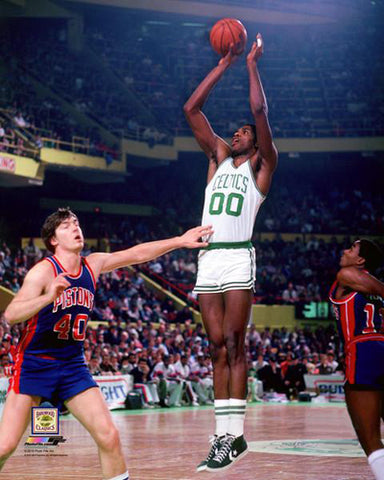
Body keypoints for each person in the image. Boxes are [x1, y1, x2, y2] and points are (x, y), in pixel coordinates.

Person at [0, 207, 212, 479]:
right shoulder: (43, 272)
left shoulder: (93, 264)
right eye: (66, 226)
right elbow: (12, 313)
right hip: (34, 365)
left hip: (73, 365)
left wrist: (179, 241)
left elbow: (135, 254)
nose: (75, 228)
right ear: (53, 239)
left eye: (76, 222)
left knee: (109, 436)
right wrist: (48, 297)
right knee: (5, 445)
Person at [184, 33, 278, 472]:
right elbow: (191, 110)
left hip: (239, 255)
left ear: (255, 144)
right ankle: (223, 436)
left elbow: (260, 111)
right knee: (216, 346)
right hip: (208, 258)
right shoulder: (217, 158)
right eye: (236, 131)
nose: (238, 134)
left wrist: (250, 65)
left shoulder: (262, 168)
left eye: (244, 133)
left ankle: (233, 434)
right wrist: (223, 63)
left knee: (237, 344)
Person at [329, 239, 384, 480]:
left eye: (351, 249)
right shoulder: (373, 288)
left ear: (360, 261)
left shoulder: (347, 274)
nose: (345, 250)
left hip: (364, 351)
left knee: (370, 439)